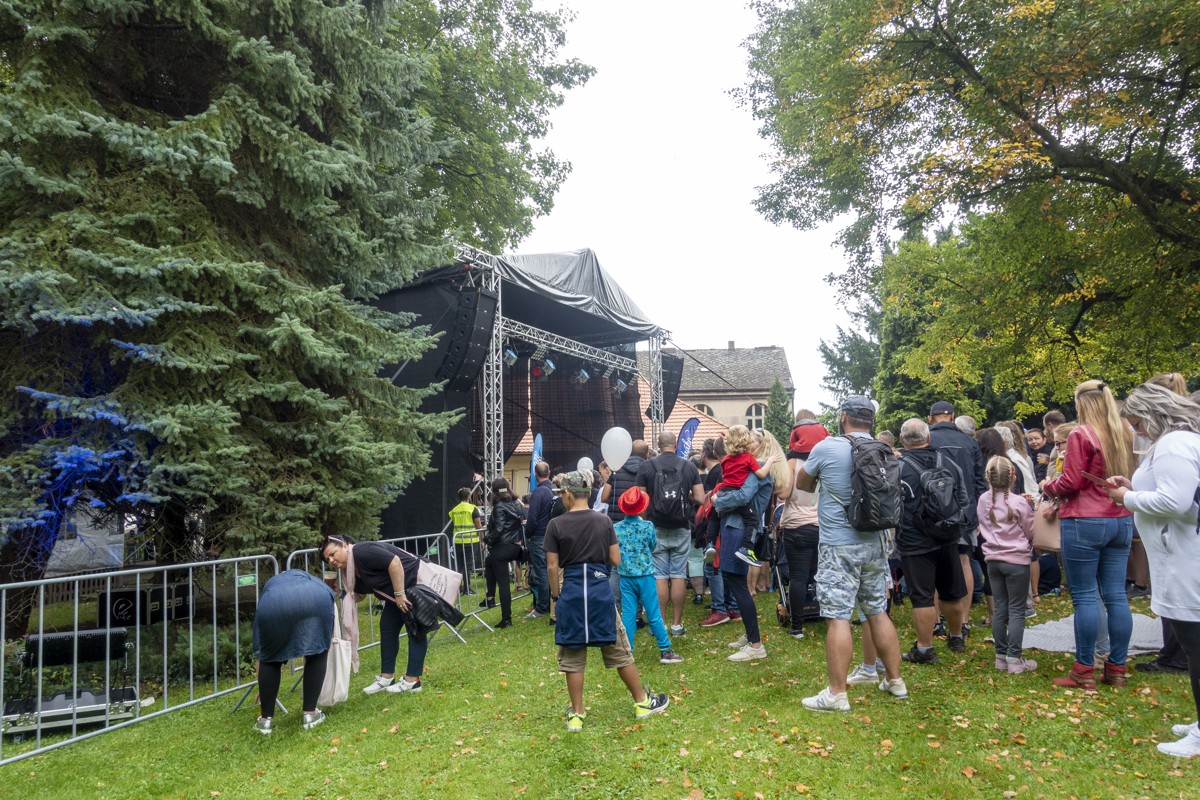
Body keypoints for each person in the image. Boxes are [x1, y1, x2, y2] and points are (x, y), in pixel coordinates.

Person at [1103, 382, 1200, 757]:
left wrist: (1127, 497)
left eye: (1137, 423)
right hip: (1179, 552)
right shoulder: (1180, 442)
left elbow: (1175, 501)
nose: (1136, 431)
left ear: (1151, 414)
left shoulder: (1174, 444)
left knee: (1195, 647)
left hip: (1185, 558)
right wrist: (1134, 487)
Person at [796, 395, 906, 711]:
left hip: (838, 544)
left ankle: (836, 693)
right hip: (875, 542)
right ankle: (895, 680)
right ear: (871, 420)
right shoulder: (884, 449)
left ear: (843, 416)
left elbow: (803, 485)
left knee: (837, 616)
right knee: (877, 610)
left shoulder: (827, 447)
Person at [546, 470, 670, 732]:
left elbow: (552, 566)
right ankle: (642, 702)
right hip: (599, 592)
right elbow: (615, 559)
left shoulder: (555, 525)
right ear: (587, 493)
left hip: (572, 593)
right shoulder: (604, 522)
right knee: (620, 650)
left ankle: (576, 714)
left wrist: (556, 596)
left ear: (567, 494)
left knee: (572, 654)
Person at [1042, 379, 1136, 690]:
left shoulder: (1081, 434)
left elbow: (1070, 481)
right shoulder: (1123, 431)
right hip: (1120, 517)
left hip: (1085, 519)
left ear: (1082, 403)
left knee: (1084, 595)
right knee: (1116, 595)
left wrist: (1048, 487)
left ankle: (1084, 669)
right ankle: (1117, 667)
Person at [896, 419, 968, 663]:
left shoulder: (898, 468)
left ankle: (925, 648)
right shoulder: (948, 463)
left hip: (914, 540)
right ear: (928, 438)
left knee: (922, 596)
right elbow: (963, 498)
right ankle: (957, 637)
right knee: (952, 591)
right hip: (947, 536)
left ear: (902, 440)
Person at [320, 536, 430, 695]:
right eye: (327, 559)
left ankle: (412, 681)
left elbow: (395, 562)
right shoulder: (349, 570)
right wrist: (340, 592)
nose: (331, 560)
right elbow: (360, 595)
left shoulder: (361, 551)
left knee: (415, 630)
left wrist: (400, 594)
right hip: (394, 595)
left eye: (332, 554)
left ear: (344, 545)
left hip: (412, 585)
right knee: (387, 628)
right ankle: (387, 678)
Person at [635, 431, 704, 637]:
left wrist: (646, 521)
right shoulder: (689, 466)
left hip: (656, 526)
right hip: (681, 526)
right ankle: (677, 625)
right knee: (678, 574)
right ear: (675, 444)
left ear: (658, 444)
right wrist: (686, 498)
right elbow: (700, 498)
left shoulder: (647, 466)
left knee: (659, 576)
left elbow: (640, 501)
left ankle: (660, 625)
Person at [928, 401, 988, 635]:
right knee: (964, 561)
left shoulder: (927, 439)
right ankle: (963, 620)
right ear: (952, 417)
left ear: (931, 418)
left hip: (933, 512)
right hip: (965, 511)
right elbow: (980, 482)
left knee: (933, 563)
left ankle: (935, 621)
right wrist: (976, 514)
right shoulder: (969, 442)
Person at [252, 569, 336, 733]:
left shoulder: (271, 585)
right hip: (317, 599)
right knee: (318, 651)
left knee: (269, 659)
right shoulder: (314, 581)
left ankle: (265, 721)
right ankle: (310, 714)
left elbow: (260, 651)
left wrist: (262, 683)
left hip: (273, 605)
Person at [978, 456, 1037, 674]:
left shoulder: (983, 500)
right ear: (1013, 477)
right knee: (1017, 609)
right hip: (1017, 561)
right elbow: (1030, 530)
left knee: (1000, 607)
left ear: (988, 477)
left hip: (993, 559)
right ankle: (1014, 658)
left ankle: (1000, 656)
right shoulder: (1019, 503)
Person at [614, 487, 683, 664]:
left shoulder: (616, 528)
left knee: (628, 613)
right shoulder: (648, 526)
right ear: (642, 507)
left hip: (626, 576)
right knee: (653, 612)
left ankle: (627, 651)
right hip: (645, 575)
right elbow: (653, 546)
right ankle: (665, 650)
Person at [778, 422, 822, 640]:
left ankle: (797, 627)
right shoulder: (825, 460)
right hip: (822, 526)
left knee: (798, 577)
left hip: (796, 526)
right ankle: (832, 617)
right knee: (824, 574)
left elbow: (783, 493)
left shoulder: (793, 461)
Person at [698, 437, 739, 627]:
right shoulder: (737, 468)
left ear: (714, 453)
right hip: (732, 523)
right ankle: (732, 607)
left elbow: (716, 502)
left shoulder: (722, 470)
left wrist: (712, 499)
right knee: (726, 564)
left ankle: (720, 609)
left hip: (721, 523)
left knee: (714, 566)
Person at [482, 477, 526, 628]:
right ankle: (490, 597)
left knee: (504, 584)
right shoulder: (516, 503)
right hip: (514, 547)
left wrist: (487, 540)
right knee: (488, 562)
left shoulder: (499, 506)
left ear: (494, 491)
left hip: (502, 548)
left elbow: (499, 529)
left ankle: (506, 618)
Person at [525, 462, 555, 619]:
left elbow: (532, 517)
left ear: (535, 474)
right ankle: (549, 602)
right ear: (549, 472)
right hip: (551, 535)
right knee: (550, 569)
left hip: (539, 536)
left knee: (542, 571)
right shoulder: (553, 490)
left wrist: (528, 533)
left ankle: (542, 607)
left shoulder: (538, 492)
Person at [449, 487, 484, 595]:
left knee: (459, 565)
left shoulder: (454, 510)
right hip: (471, 540)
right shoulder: (472, 508)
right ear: (469, 496)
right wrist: (482, 540)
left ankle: (458, 588)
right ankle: (467, 588)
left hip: (458, 541)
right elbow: (478, 526)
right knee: (468, 565)